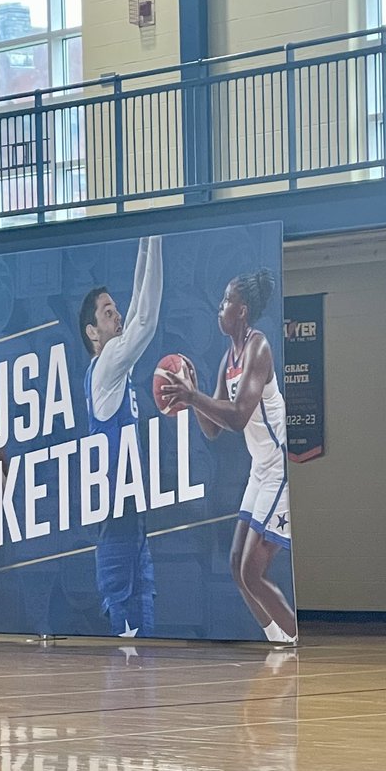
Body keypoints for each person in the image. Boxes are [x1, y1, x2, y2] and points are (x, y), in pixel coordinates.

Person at [160, 269, 297, 643]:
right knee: (236, 566)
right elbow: (213, 429)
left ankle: (292, 637)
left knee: (253, 572)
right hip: (260, 469)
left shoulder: (259, 347)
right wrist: (192, 396)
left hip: (281, 469)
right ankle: (277, 641)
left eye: (225, 302)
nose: (219, 308)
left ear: (243, 310)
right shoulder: (228, 358)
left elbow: (237, 416)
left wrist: (193, 398)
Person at [79, 234, 164, 636]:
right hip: (117, 509)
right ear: (92, 333)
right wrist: (159, 242)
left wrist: (147, 242)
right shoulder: (107, 362)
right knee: (127, 619)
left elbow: (135, 312)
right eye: (109, 313)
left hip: (127, 508)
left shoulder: (112, 370)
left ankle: (139, 695)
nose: (119, 317)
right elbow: (145, 321)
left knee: (142, 601)